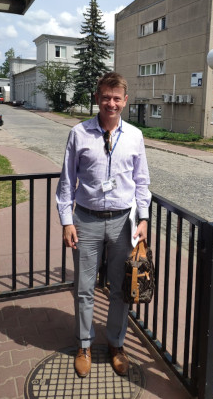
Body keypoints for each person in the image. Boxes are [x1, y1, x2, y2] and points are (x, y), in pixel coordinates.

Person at [56, 72, 151, 378]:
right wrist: (66, 221)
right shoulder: (79, 133)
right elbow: (67, 182)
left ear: (126, 100)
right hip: (86, 219)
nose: (111, 103)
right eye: (106, 97)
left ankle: (116, 343)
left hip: (123, 223)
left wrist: (144, 219)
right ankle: (84, 344)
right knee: (84, 288)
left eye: (117, 97)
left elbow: (141, 182)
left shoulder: (135, 136)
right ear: (97, 98)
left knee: (121, 289)